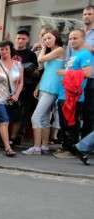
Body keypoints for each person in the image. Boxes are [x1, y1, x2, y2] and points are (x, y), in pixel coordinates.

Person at [22, 30, 64, 155]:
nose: (46, 41)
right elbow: (45, 71)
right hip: (44, 87)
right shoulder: (52, 52)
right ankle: (44, 146)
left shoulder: (60, 50)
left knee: (36, 117)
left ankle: (36, 147)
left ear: (56, 38)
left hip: (51, 88)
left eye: (49, 38)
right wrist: (38, 87)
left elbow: (40, 59)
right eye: (44, 39)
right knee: (45, 118)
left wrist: (44, 47)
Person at [54, 29, 92, 158]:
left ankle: (72, 149)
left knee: (72, 123)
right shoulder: (72, 55)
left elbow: (87, 73)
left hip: (74, 96)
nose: (72, 41)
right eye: (70, 38)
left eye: (75, 38)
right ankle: (66, 147)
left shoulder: (86, 54)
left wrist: (64, 73)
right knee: (64, 123)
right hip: (63, 94)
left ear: (83, 39)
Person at [10, 29, 39, 145]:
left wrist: (28, 69)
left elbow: (36, 72)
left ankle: (14, 137)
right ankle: (1, 137)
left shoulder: (31, 54)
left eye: (23, 39)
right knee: (8, 112)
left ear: (27, 40)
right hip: (10, 86)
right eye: (18, 38)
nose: (20, 41)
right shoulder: (10, 51)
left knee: (21, 114)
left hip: (26, 88)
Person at [80, 5, 94, 138]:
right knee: (76, 109)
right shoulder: (78, 33)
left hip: (91, 77)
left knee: (89, 111)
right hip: (76, 77)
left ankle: (85, 145)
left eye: (89, 14)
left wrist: (89, 47)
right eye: (85, 14)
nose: (86, 16)